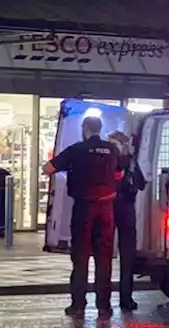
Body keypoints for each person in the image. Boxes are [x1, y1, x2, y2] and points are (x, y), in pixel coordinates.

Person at [44, 116, 120, 317]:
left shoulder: (76, 149)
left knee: (80, 256)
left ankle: (78, 305)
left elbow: (48, 168)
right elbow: (120, 172)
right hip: (106, 209)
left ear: (85, 129)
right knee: (104, 258)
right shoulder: (112, 150)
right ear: (99, 129)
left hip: (84, 208)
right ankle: (104, 306)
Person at [108, 131, 146, 311]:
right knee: (122, 258)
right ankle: (123, 299)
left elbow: (141, 182)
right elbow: (141, 183)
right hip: (123, 211)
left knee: (112, 258)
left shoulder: (114, 161)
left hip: (111, 210)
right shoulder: (129, 162)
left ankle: (112, 300)